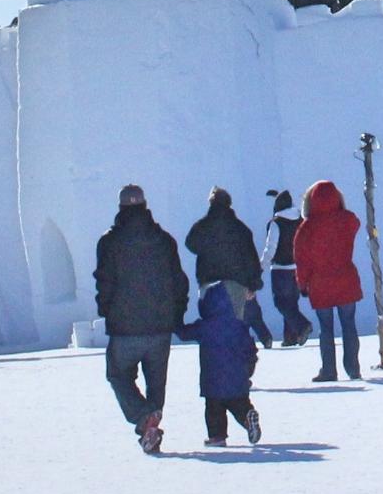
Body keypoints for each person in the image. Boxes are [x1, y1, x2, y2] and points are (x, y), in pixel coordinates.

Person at [94, 185, 189, 454]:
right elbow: (178, 281)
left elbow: (105, 281)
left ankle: (144, 419)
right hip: (160, 325)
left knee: (117, 373)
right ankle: (151, 422)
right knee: (156, 381)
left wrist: (106, 309)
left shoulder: (109, 242)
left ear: (121, 208)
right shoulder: (164, 240)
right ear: (145, 206)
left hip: (125, 326)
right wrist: (177, 314)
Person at [176, 282, 262, 447]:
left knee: (214, 410)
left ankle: (217, 437)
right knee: (240, 404)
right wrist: (248, 369)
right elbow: (250, 349)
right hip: (238, 380)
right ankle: (247, 416)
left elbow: (184, 334)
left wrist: (174, 321)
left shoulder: (205, 326)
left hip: (213, 381)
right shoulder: (239, 325)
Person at [294, 181, 363, 382]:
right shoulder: (347, 220)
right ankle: (353, 368)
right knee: (349, 325)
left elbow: (301, 259)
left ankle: (329, 370)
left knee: (326, 328)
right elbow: (356, 223)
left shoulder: (306, 228)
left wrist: (302, 284)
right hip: (346, 279)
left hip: (320, 283)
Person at [184, 187, 266, 342]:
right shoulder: (241, 228)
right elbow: (251, 258)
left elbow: (190, 244)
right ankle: (235, 360)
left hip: (209, 283)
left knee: (212, 325)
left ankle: (215, 359)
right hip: (236, 284)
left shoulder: (202, 226)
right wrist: (253, 284)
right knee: (235, 325)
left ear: (211, 203)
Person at [262, 189, 313, 347]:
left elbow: (270, 248)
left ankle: (302, 326)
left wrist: (261, 266)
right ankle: (290, 337)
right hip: (297, 267)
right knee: (292, 303)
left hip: (280, 269)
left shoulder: (276, 223)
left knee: (281, 302)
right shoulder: (300, 220)